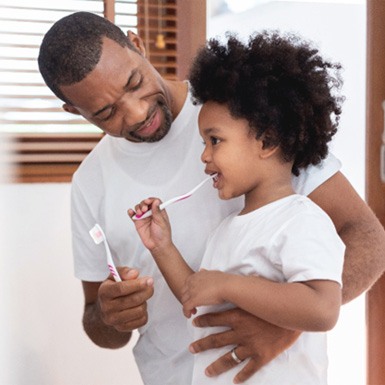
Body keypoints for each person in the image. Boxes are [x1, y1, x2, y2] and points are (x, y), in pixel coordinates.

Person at [37, 11, 385, 385]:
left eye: (135, 83)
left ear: (137, 44)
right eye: (106, 112)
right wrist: (109, 316)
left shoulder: (243, 111)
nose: (137, 113)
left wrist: (283, 326)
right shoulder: (90, 182)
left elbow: (366, 235)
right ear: (75, 111)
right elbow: (108, 317)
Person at [128, 31, 345, 384]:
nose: (204, 155)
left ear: (268, 141)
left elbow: (323, 309)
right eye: (203, 142)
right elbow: (198, 296)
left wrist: (228, 286)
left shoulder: (301, 220)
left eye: (215, 140)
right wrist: (162, 246)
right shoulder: (228, 229)